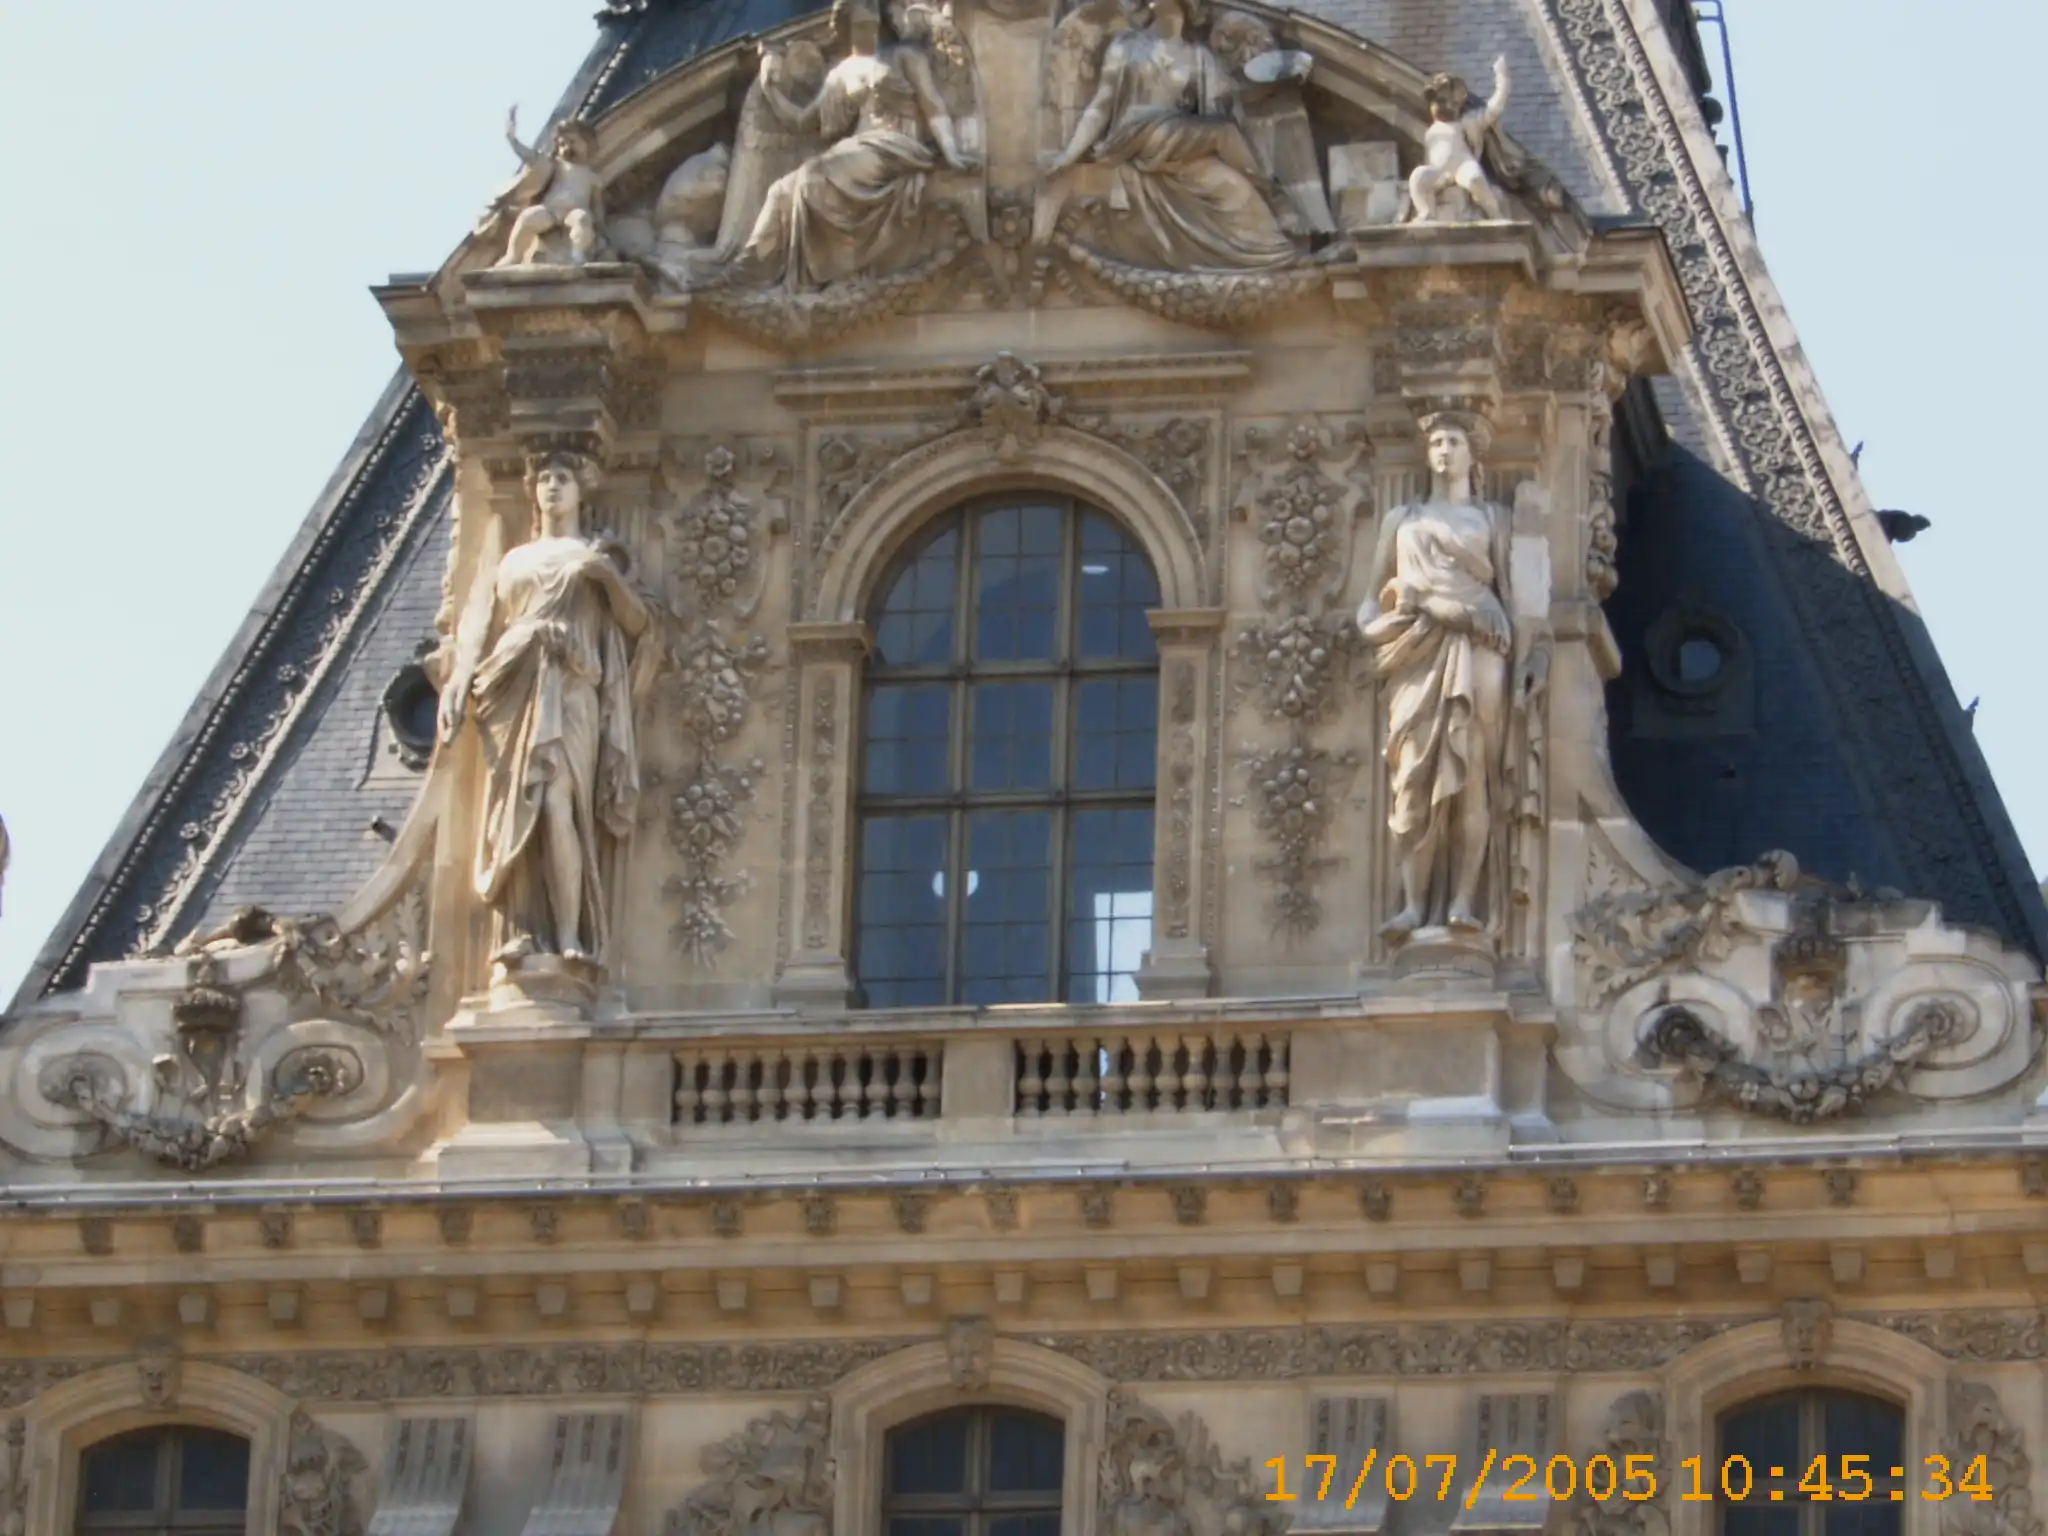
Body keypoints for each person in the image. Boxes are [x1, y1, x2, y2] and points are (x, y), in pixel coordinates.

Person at [438, 452, 650, 969]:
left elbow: (638, 623)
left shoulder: (591, 558)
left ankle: (568, 933)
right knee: (517, 810)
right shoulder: (514, 559)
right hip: (514, 683)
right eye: (545, 479)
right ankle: (522, 931)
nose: (553, 487)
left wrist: (607, 577)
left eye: (564, 478)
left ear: (582, 490)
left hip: (572, 688)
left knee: (559, 805)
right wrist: (459, 677)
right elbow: (477, 621)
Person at [1358, 415, 1537, 938]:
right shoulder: (1402, 520)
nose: (1443, 450)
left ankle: (1464, 901)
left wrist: (1536, 658)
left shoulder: (1493, 520)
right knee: (1412, 778)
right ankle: (1414, 906)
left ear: (1473, 453)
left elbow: (1524, 608)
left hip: (1482, 649)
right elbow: (1369, 602)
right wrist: (1378, 625)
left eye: (1454, 441)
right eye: (1436, 441)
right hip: (1416, 647)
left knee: (1473, 777)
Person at [729, 0, 979, 291]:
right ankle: (751, 268)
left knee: (811, 178)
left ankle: (813, 266)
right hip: (861, 145)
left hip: (895, 144)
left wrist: (951, 151)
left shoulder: (903, 56)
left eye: (872, 8)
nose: (870, 13)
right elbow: (801, 122)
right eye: (862, 9)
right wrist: (770, 91)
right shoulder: (842, 73)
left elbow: (933, 105)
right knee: (781, 190)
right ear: (847, 21)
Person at [1040, 0, 1297, 271]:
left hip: (1177, 145)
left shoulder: (1199, 56)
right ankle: (1274, 193)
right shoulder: (1125, 46)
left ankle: (1276, 253)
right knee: (1224, 132)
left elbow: (1217, 109)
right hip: (1135, 136)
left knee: (1237, 192)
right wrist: (1070, 153)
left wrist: (1265, 79)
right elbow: (1100, 106)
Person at [487, 112, 606, 267]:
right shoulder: (556, 164)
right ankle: (513, 256)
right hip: (551, 209)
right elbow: (531, 157)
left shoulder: (592, 177)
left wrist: (601, 229)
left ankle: (577, 255)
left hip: (574, 211)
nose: (567, 147)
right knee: (527, 217)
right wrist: (513, 140)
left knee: (582, 220)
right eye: (562, 144)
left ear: (588, 144)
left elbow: (597, 206)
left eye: (572, 141)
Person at [1408, 59, 1510, 223]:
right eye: (1436, 102)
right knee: (1418, 176)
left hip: (1462, 167)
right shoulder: (1430, 132)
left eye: (1443, 101)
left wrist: (1502, 80)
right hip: (1439, 172)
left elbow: (1494, 109)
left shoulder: (1467, 123)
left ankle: (1494, 214)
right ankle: (1426, 213)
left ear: (1456, 103)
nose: (1439, 106)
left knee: (1475, 179)